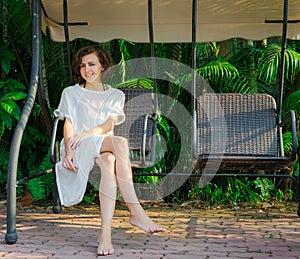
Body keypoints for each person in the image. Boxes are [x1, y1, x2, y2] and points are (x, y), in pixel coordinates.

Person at [54, 45, 165, 256]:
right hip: (77, 145)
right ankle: (136, 211)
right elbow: (68, 125)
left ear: (103, 66)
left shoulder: (115, 95)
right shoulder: (71, 92)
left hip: (100, 142)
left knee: (109, 163)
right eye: (83, 66)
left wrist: (88, 132)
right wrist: (68, 151)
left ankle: (105, 234)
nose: (87, 70)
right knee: (120, 143)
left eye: (92, 64)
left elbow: (107, 125)